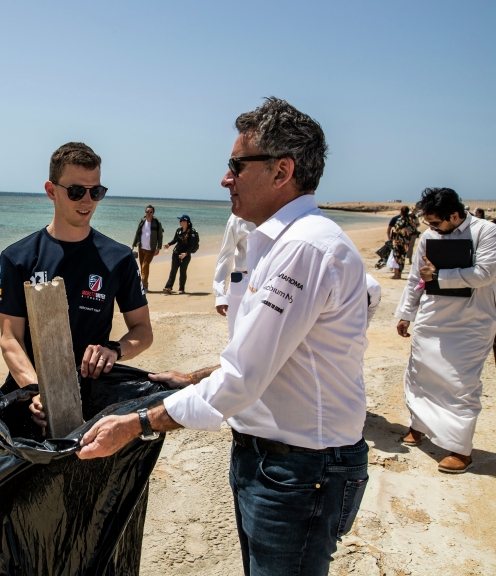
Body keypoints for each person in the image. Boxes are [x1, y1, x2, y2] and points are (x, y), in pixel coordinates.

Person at [77, 98, 369, 576]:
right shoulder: (283, 243)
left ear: (282, 171)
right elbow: (277, 358)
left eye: (236, 166)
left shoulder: (305, 248)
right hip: (275, 462)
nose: (224, 179)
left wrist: (136, 424)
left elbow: (243, 378)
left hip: (300, 471)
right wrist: (192, 378)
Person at [0, 142, 153, 410]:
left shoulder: (120, 258)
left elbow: (143, 330)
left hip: (93, 392)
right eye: (76, 191)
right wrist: (37, 392)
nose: (87, 201)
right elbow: (10, 339)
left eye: (95, 191)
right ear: (51, 191)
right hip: (31, 390)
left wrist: (114, 350)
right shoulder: (17, 258)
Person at [395, 188, 496, 473]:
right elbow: (415, 278)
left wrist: (439, 276)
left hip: (471, 321)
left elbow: (485, 274)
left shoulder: (486, 231)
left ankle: (461, 450)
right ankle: (418, 425)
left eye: (437, 223)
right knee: (420, 375)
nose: (432, 228)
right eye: (428, 223)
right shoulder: (429, 236)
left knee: (460, 384)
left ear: (454, 215)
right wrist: (406, 314)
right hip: (431, 318)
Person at [213, 213, 256, 338]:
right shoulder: (238, 216)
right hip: (241, 283)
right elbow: (226, 255)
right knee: (235, 338)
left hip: (271, 283)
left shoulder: (281, 212)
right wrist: (220, 294)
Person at [162, 215, 197, 294]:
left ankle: (181, 289)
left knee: (182, 271)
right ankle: (168, 287)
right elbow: (175, 240)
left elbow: (191, 246)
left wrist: (186, 253)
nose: (179, 222)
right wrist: (168, 244)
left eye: (181, 220)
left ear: (185, 222)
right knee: (173, 270)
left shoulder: (191, 233)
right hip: (176, 253)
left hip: (185, 255)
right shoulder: (178, 230)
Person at [131, 205, 163, 290]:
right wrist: (133, 245)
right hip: (141, 247)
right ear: (145, 212)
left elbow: (160, 236)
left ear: (153, 213)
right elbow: (137, 233)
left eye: (150, 212)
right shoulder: (142, 222)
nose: (149, 213)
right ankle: (145, 284)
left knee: (145, 266)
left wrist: (158, 248)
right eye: (147, 211)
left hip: (151, 249)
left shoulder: (157, 223)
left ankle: (144, 286)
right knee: (142, 267)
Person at [388, 206, 413, 279]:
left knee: (397, 257)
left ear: (401, 211)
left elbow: (397, 230)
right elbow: (412, 231)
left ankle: (396, 274)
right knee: (402, 257)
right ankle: (399, 274)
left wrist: (392, 234)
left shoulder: (400, 219)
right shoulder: (410, 220)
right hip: (405, 241)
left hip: (398, 240)